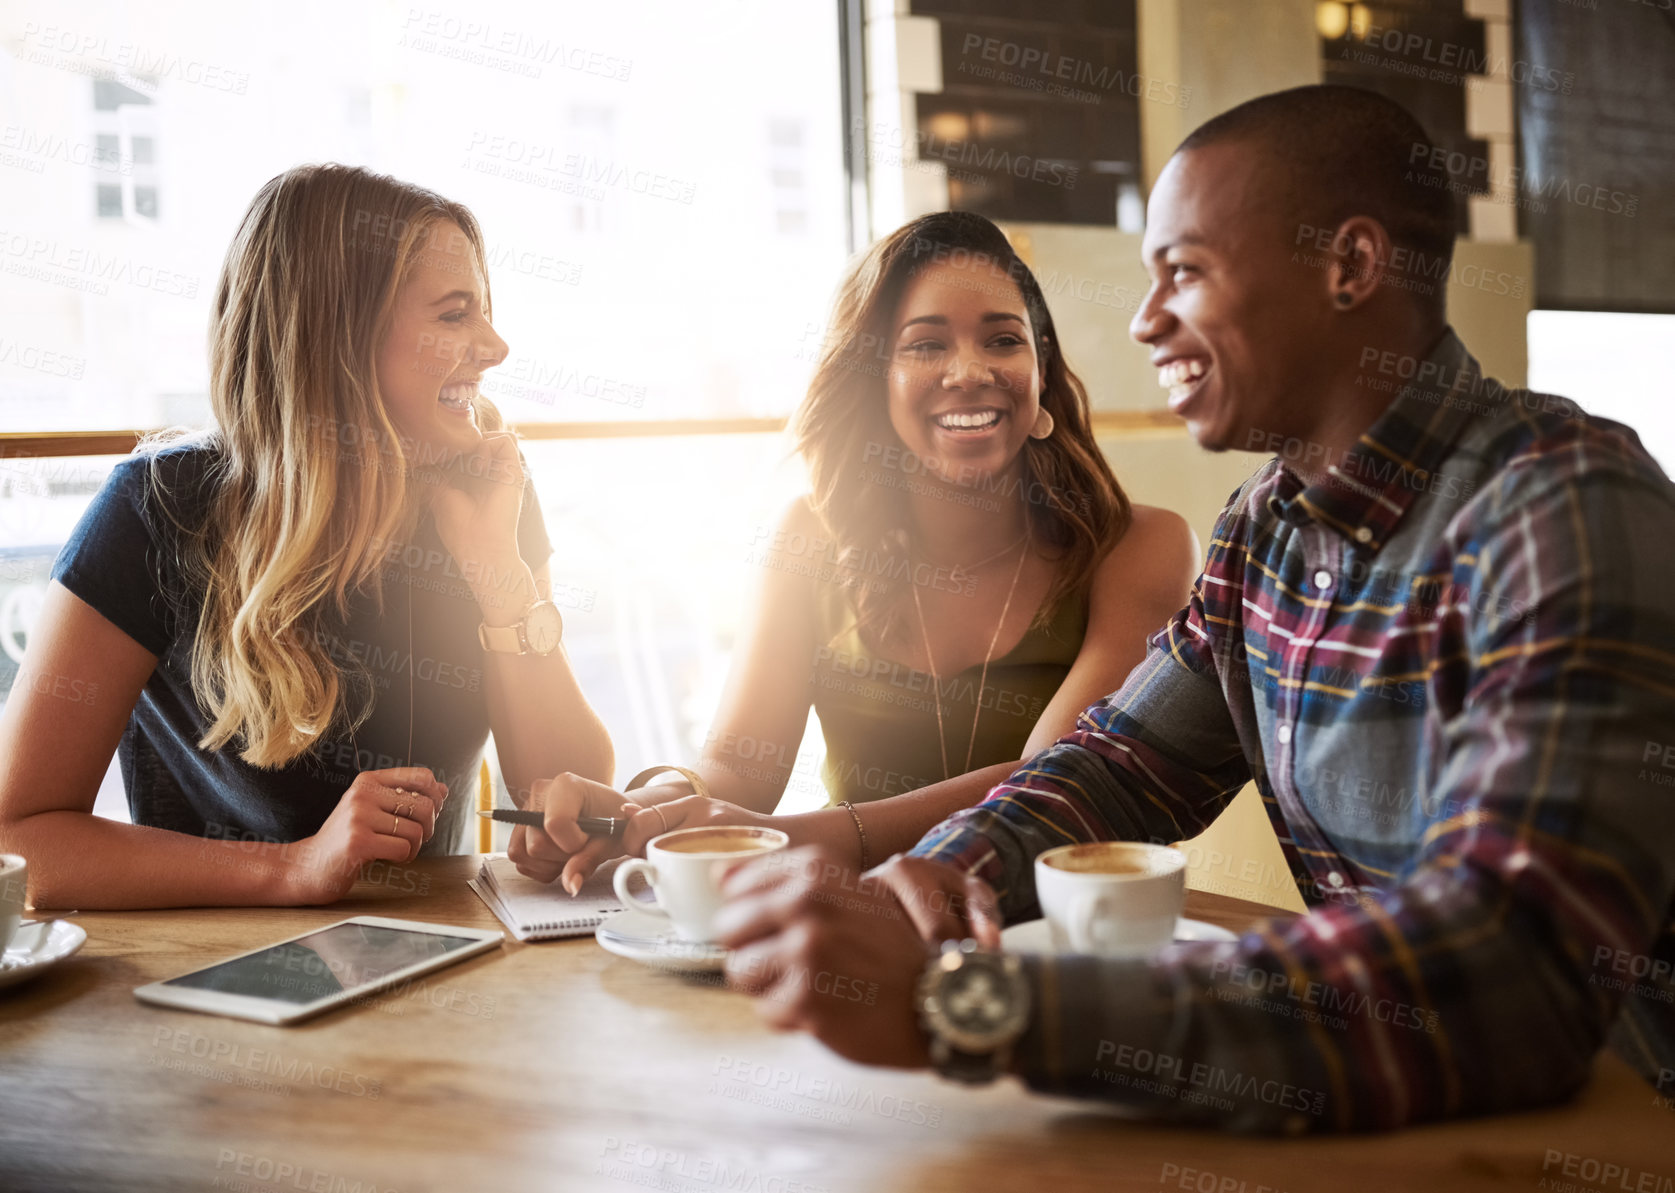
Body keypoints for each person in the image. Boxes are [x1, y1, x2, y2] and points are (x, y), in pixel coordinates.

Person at [711, 84, 1675, 1132]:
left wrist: (978, 1005)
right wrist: (933, 882)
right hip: (1405, 1125)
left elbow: (1510, 972)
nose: (1143, 319)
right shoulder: (1263, 530)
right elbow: (1115, 768)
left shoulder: (1564, 503)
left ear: (1346, 266)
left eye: (1184, 272)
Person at [508, 212, 1197, 893]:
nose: (970, 370)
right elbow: (737, 770)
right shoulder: (810, 536)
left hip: (1050, 946)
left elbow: (1055, 787)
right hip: (850, 939)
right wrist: (635, 808)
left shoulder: (1140, 546)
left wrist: (805, 838)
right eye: (925, 345)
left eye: (1002, 340)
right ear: (875, 380)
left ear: (1039, 371)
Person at [0, 164, 613, 909]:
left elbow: (583, 802)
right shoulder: (155, 511)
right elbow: (18, 836)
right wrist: (289, 867)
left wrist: (498, 574)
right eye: (455, 316)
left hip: (433, 965)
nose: (495, 346)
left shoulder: (483, 491)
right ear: (340, 338)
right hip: (216, 981)